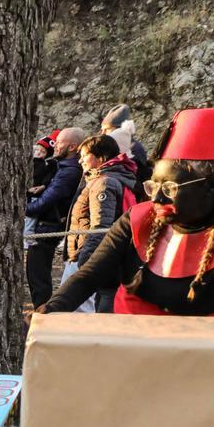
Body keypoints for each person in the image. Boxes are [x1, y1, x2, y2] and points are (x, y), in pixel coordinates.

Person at [42, 108, 214, 317]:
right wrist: (49, 310)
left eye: (170, 188)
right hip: (128, 339)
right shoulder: (137, 220)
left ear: (211, 186)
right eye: (153, 186)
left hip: (201, 347)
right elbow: (90, 275)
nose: (156, 199)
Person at [65, 134, 138, 312]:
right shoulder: (106, 180)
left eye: (84, 155)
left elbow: (100, 226)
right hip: (110, 252)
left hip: (100, 254)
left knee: (102, 298)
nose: (80, 160)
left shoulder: (104, 183)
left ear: (100, 157)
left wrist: (87, 262)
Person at [25, 127, 85, 307]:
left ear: (72, 147)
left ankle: (43, 312)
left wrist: (24, 209)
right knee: (36, 273)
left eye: (59, 142)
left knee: (37, 275)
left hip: (48, 226)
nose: (55, 146)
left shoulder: (69, 171)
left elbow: (48, 200)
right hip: (46, 224)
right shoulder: (62, 166)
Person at [101, 104, 152, 195]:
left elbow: (135, 180)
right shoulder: (114, 147)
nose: (103, 133)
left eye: (107, 129)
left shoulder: (134, 148)